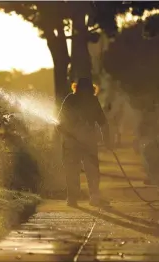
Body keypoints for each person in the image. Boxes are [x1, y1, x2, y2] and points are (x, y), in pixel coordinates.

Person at [57, 77, 111, 207]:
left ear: (77, 88)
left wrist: (66, 133)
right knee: (91, 169)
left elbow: (59, 122)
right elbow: (103, 123)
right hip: (87, 140)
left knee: (72, 170)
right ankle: (94, 197)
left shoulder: (70, 99)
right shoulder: (92, 100)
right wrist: (107, 140)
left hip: (72, 141)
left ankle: (72, 199)